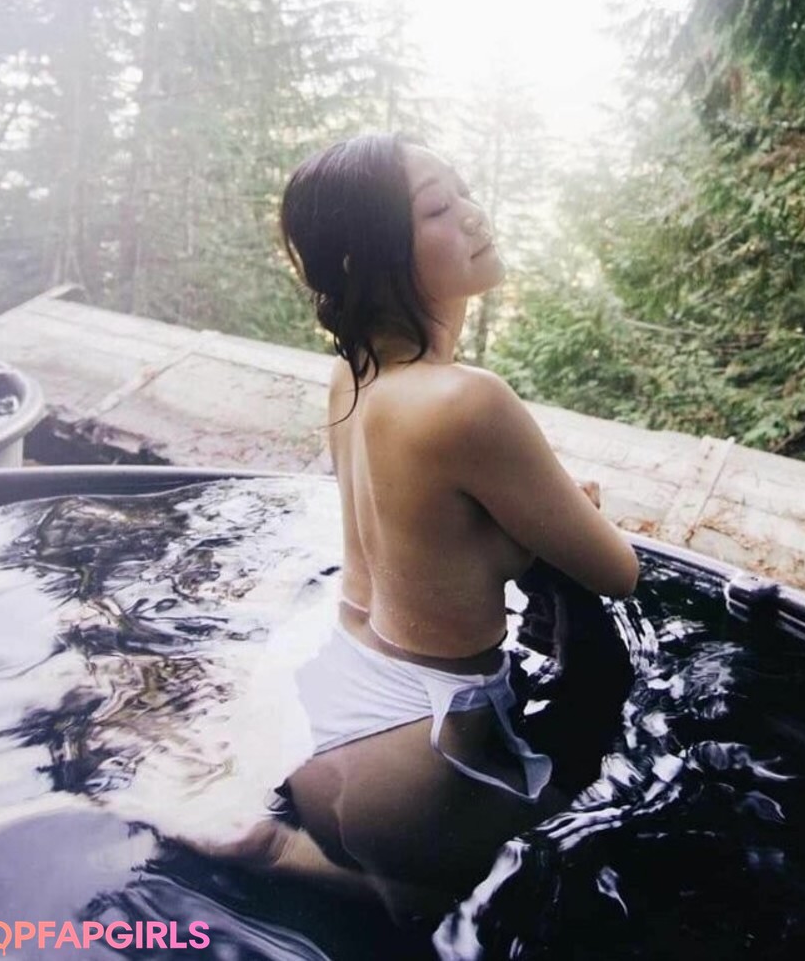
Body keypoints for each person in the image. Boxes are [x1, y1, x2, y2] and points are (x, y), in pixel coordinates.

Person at [219, 133, 638, 919]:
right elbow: (618, 572)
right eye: (439, 207)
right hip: (416, 761)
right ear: (371, 258)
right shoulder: (466, 399)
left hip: (322, 714)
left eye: (463, 191)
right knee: (525, 900)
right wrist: (570, 514)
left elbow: (431, 538)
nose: (473, 215)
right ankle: (309, 859)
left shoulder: (350, 375)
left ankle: (276, 845)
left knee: (393, 906)